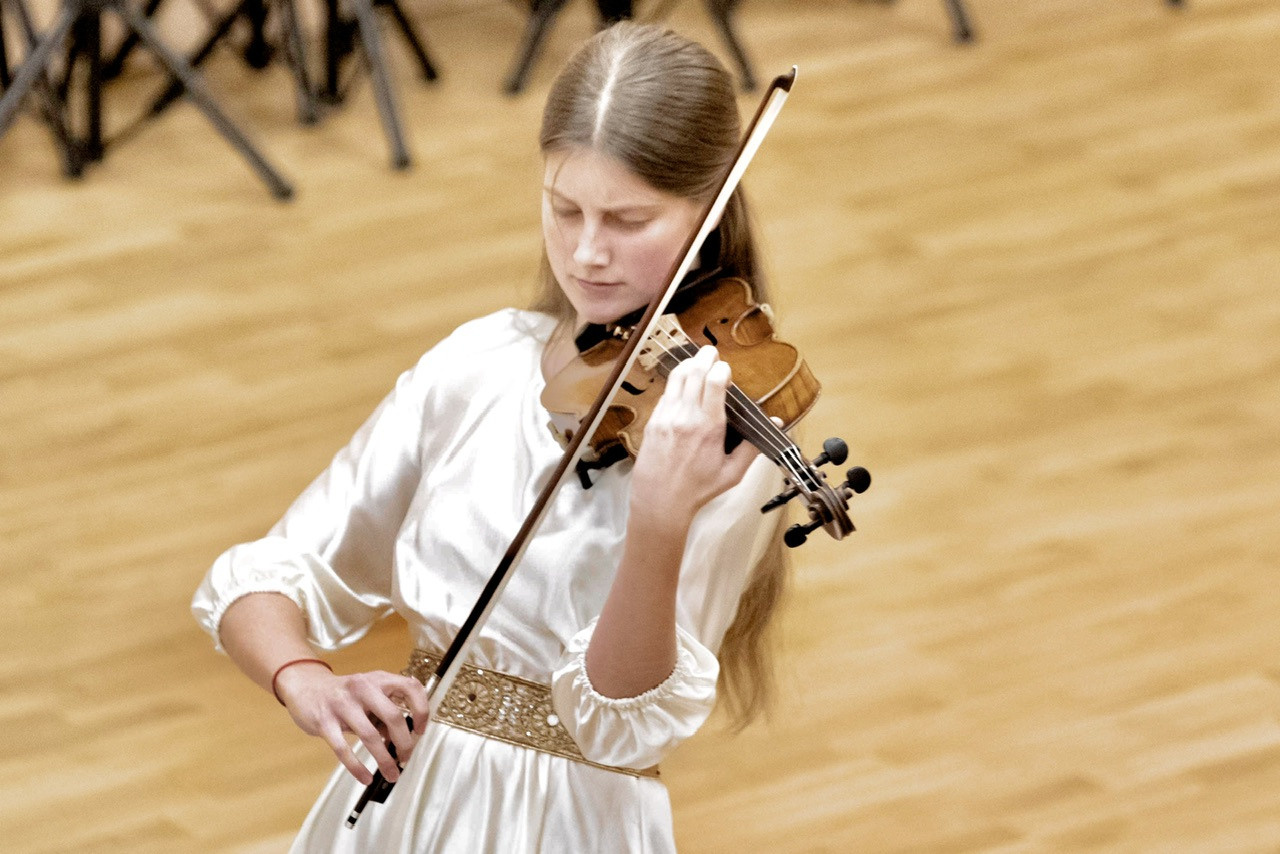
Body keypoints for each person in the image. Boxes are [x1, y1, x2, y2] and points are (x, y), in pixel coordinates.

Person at [192, 21, 791, 853]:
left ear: (710, 209)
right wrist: (304, 678)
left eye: (628, 219)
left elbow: (621, 722)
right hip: (401, 802)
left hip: (571, 823)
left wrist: (659, 515)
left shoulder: (723, 434)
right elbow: (272, 572)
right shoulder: (476, 362)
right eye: (564, 208)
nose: (587, 253)